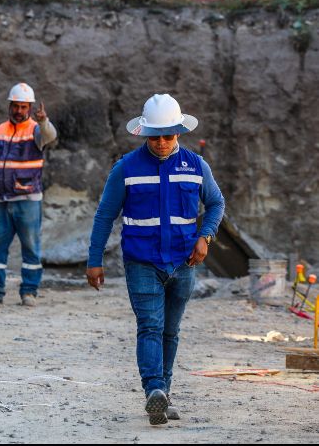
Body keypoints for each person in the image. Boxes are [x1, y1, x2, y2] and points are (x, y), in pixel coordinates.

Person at [86, 94, 225, 425]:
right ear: (145, 134)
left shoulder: (196, 167)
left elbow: (216, 203)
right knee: (150, 325)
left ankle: (163, 393)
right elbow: (105, 215)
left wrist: (205, 237)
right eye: (155, 136)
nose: (161, 142)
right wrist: (95, 260)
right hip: (141, 262)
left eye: (168, 135)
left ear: (178, 133)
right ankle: (154, 392)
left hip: (183, 263)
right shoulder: (126, 168)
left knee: (171, 331)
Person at [0, 83, 57, 307]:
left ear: (29, 108)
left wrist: (44, 121)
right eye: (15, 106)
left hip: (27, 200)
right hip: (1, 199)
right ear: (10, 106)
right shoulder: (1, 129)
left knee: (31, 247)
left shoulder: (36, 130)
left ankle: (29, 292)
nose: (19, 110)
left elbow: (50, 135)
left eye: (23, 107)